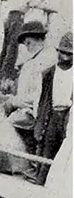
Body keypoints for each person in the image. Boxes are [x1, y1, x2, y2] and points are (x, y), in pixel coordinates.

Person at [4, 21, 57, 155]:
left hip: (37, 112)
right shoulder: (40, 57)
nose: (27, 47)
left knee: (5, 124)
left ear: (40, 39)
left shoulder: (45, 61)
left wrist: (14, 101)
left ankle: (26, 161)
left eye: (29, 43)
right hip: (31, 107)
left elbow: (37, 96)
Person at [30, 31, 73, 185]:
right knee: (47, 148)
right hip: (52, 114)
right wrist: (38, 117)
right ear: (57, 52)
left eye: (70, 54)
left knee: (64, 152)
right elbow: (40, 98)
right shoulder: (48, 73)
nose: (65, 57)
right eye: (63, 53)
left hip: (68, 115)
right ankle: (40, 181)